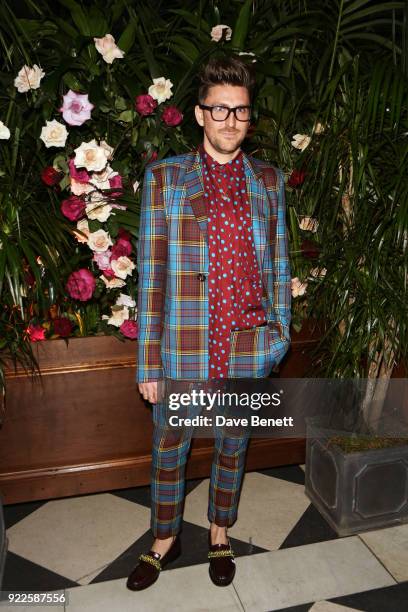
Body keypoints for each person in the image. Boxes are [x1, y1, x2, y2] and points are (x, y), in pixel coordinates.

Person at [127, 55, 291, 591]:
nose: (229, 120)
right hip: (185, 344)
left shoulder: (269, 180)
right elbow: (150, 276)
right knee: (170, 445)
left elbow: (280, 262)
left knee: (232, 443)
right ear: (199, 114)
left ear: (250, 118)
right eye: (218, 109)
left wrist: (278, 336)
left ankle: (219, 532)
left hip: (247, 340)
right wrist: (149, 362)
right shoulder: (166, 178)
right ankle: (164, 540)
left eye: (240, 112)